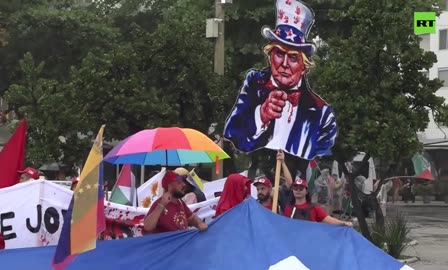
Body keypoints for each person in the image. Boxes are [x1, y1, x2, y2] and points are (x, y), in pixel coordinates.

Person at [224, 0, 337, 177]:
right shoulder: (255, 82)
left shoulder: (322, 114)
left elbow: (320, 155)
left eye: (293, 58)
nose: (284, 64)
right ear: (269, 56)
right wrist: (261, 115)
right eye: (279, 54)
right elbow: (233, 134)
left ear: (304, 66)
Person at [143, 171, 207, 234]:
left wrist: (199, 223)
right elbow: (147, 227)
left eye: (182, 182)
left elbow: (192, 217)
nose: (183, 184)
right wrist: (161, 205)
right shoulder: (159, 203)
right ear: (169, 186)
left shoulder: (180, 202)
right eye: (179, 183)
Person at [284, 178, 352, 226]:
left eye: (301, 188)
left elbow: (329, 220)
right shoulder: (288, 208)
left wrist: (343, 223)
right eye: (295, 188)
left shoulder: (314, 208)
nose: (298, 190)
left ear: (306, 191)